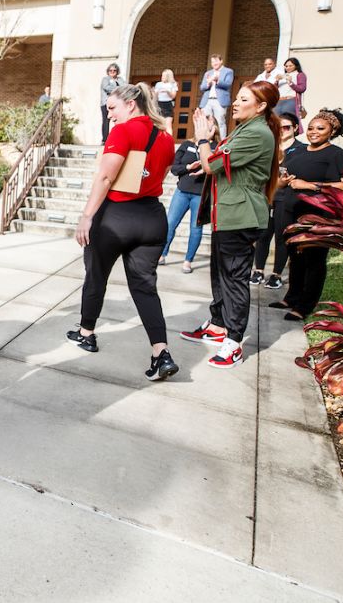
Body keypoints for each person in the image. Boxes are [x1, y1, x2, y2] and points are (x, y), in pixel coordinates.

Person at [68, 83, 178, 382]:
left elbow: (106, 176)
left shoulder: (123, 131)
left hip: (116, 216)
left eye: (112, 107)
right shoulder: (167, 138)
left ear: (131, 104)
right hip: (153, 218)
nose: (109, 113)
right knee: (145, 287)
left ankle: (87, 333)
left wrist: (86, 216)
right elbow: (159, 175)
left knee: (96, 274)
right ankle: (161, 352)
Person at [180, 81, 281, 369]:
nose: (235, 103)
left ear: (261, 106)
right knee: (220, 273)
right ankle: (218, 324)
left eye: (243, 99)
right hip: (227, 215)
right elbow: (219, 162)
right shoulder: (246, 128)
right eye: (236, 98)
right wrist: (211, 142)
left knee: (234, 279)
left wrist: (202, 140)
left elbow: (212, 164)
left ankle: (233, 341)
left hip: (242, 217)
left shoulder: (258, 133)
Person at [270, 108, 343, 321]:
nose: (313, 132)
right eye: (310, 127)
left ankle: (304, 305)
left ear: (332, 131)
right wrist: (283, 181)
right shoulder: (299, 151)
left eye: (320, 128)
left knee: (313, 260)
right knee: (294, 255)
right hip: (291, 210)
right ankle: (291, 297)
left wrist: (311, 185)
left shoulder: (338, 155)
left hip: (318, 214)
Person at [250, 112, 304, 289]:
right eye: (279, 127)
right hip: (266, 196)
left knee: (282, 237)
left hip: (286, 199)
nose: (282, 130)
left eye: (287, 127)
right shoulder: (269, 145)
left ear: (295, 128)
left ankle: (276, 274)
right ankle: (258, 270)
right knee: (263, 235)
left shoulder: (301, 150)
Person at [159, 129, 210, 273]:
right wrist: (188, 167)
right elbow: (174, 168)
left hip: (200, 195)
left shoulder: (215, 147)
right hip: (182, 191)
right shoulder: (186, 144)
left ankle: (188, 261)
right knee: (169, 224)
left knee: (195, 229)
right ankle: (161, 254)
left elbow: (216, 169)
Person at [198, 54, 234, 140]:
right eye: (212, 61)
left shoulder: (228, 71)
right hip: (207, 101)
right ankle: (205, 140)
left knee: (220, 122)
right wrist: (208, 83)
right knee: (205, 121)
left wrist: (217, 80)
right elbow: (202, 87)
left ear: (221, 61)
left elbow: (228, 84)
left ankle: (221, 143)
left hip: (219, 100)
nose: (214, 63)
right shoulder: (208, 73)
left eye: (216, 61)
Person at [100, 63, 125, 142]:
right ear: (108, 71)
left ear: (117, 71)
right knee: (106, 121)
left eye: (114, 70)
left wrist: (116, 88)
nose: (112, 72)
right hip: (106, 103)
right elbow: (106, 88)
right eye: (110, 70)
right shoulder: (105, 79)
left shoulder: (120, 79)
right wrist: (118, 88)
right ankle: (105, 139)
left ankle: (117, 138)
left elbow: (124, 87)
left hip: (117, 104)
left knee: (118, 121)